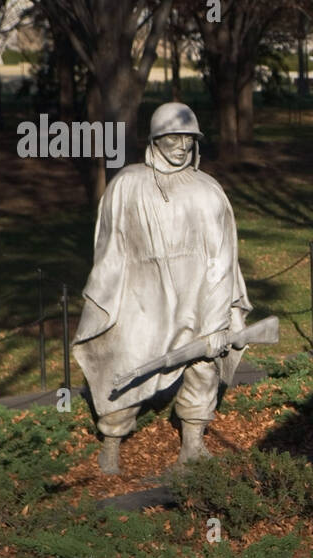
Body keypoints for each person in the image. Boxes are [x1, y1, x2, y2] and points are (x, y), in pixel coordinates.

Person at [74, 102, 252, 474]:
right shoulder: (127, 185)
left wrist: (217, 321)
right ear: (155, 139)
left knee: (203, 367)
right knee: (124, 363)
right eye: (173, 136)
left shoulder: (208, 192)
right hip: (141, 300)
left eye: (188, 137)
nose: (182, 145)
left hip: (197, 301)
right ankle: (111, 440)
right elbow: (109, 249)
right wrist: (106, 298)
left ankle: (193, 444)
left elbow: (221, 261)